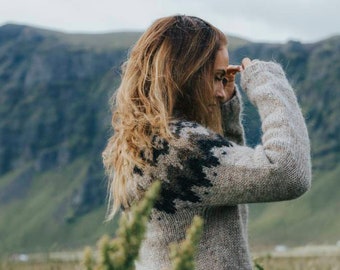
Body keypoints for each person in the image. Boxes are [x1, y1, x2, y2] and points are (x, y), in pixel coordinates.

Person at [102, 15, 311, 270]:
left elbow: (226, 180)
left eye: (224, 79)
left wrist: (224, 112)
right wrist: (269, 84)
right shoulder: (177, 149)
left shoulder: (153, 142)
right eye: (216, 77)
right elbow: (287, 172)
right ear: (188, 75)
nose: (222, 91)